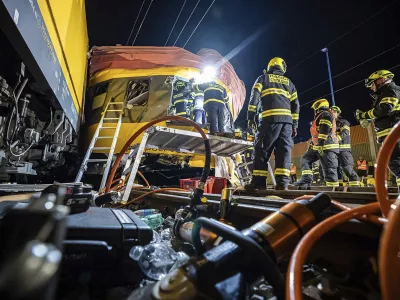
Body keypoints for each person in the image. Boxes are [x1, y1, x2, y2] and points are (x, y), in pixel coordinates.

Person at [245, 57, 299, 190]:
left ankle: (258, 183)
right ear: (282, 68)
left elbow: (254, 97)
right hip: (286, 124)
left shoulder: (263, 78)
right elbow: (296, 105)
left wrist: (251, 116)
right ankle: (282, 184)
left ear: (270, 67)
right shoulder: (289, 83)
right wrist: (295, 125)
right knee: (284, 152)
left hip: (269, 121)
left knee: (262, 150)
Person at [356, 70, 400, 188]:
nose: (371, 87)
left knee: (395, 163)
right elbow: (382, 113)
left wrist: (364, 115)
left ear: (381, 80)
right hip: (392, 135)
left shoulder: (390, 89)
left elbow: (385, 109)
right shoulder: (385, 93)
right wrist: (369, 119)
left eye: (372, 83)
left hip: (394, 135)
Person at [296, 99, 339, 188]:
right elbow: (316, 134)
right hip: (318, 146)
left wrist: (321, 144)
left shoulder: (325, 114)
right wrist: (313, 144)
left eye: (315, 107)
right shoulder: (321, 115)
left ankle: (333, 192)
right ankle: (306, 179)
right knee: (305, 159)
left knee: (329, 170)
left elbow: (324, 129)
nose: (314, 110)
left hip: (326, 146)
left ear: (320, 106)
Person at [330, 106, 360, 187]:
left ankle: (356, 188)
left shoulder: (343, 122)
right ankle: (338, 189)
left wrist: (337, 138)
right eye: (331, 112)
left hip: (344, 150)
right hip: (334, 151)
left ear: (337, 113)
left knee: (347, 169)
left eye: (334, 112)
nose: (332, 113)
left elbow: (345, 132)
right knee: (336, 171)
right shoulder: (329, 125)